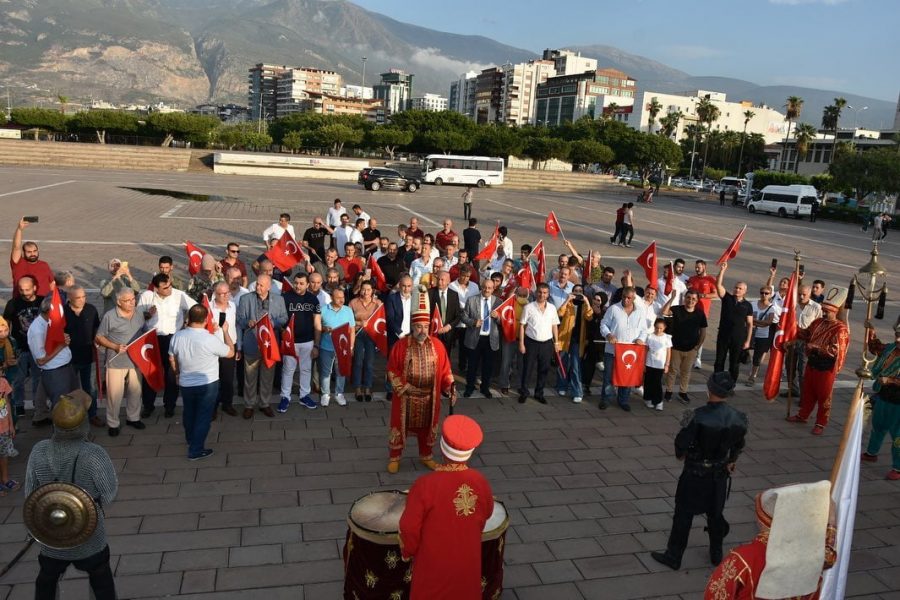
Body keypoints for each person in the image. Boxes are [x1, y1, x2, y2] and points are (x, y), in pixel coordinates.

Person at [25, 391, 118, 599]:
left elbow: (30, 494)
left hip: (52, 531)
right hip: (88, 530)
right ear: (83, 424)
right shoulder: (93, 453)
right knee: (101, 579)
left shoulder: (39, 450)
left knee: (46, 580)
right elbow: (109, 493)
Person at [651, 372, 749, 570]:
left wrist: (686, 454)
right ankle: (716, 554)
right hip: (719, 474)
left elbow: (680, 448)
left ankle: (674, 556)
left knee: (683, 514)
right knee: (715, 513)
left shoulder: (696, 416)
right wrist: (731, 460)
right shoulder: (739, 418)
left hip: (695, 474)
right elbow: (738, 445)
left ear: (708, 389)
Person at [399, 414, 493, 600]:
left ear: (441, 447)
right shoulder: (480, 482)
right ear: (471, 451)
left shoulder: (425, 484)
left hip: (433, 563)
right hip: (468, 560)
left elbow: (409, 527)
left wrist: (408, 551)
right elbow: (486, 514)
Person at [705, 481, 837, 599]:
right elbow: (829, 556)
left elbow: (714, 595)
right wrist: (831, 524)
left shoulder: (744, 558)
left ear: (761, 521)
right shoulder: (815, 553)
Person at [386, 285, 456, 473]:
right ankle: (395, 457)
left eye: (425, 326)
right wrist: (404, 387)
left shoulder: (438, 346)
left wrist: (449, 387)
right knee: (400, 427)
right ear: (412, 326)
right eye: (418, 326)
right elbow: (391, 370)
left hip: (429, 398)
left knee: (428, 428)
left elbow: (445, 370)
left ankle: (426, 455)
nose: (422, 330)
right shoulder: (401, 346)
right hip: (406, 398)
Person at [169, 304, 235, 460]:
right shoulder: (210, 339)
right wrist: (225, 332)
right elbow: (230, 352)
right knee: (203, 417)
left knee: (189, 413)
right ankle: (196, 450)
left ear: (188, 319)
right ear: (206, 319)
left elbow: (172, 357)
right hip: (208, 384)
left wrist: (177, 373)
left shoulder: (178, 337)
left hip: (186, 383)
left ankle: (191, 439)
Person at [786, 287, 850, 435]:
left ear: (835, 311)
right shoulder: (818, 322)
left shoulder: (841, 329)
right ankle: (803, 415)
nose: (824, 312)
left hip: (826, 367)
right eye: (824, 309)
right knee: (808, 392)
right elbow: (805, 334)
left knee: (824, 396)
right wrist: (791, 326)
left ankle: (821, 423)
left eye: (827, 311)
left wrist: (816, 347)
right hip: (812, 363)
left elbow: (836, 351)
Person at [137, 273, 196, 418]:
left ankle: (169, 406)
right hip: (153, 339)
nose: (169, 289)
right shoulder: (147, 297)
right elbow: (137, 319)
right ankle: (148, 406)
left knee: (172, 373)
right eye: (165, 287)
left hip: (172, 338)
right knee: (151, 372)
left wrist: (188, 321)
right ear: (156, 288)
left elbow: (195, 307)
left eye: (170, 285)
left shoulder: (178, 295)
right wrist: (147, 315)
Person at [95, 288, 145, 437]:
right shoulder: (109, 316)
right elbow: (99, 337)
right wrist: (115, 347)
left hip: (136, 361)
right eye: (127, 300)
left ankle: (133, 418)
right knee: (114, 395)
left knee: (135, 391)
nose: (131, 303)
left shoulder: (139, 313)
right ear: (118, 302)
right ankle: (113, 423)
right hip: (116, 361)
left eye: (133, 299)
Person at [236, 274, 287, 419]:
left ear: (269, 287)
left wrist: (273, 323)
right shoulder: (246, 299)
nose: (257, 287)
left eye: (261, 285)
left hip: (270, 345)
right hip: (252, 342)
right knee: (250, 376)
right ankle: (249, 405)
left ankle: (264, 403)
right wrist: (248, 322)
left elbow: (284, 318)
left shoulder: (279, 300)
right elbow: (240, 319)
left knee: (267, 376)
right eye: (257, 284)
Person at [861, 318, 900, 481]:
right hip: (884, 395)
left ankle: (897, 467)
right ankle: (871, 453)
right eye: (897, 335)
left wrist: (891, 380)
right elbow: (876, 348)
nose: (898, 339)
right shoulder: (890, 348)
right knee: (878, 426)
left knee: (898, 435)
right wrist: (871, 331)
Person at [599, 286, 649, 411]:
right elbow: (603, 324)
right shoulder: (613, 309)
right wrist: (608, 334)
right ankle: (605, 399)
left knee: (626, 376)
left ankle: (623, 400)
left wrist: (641, 339)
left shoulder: (640, 312)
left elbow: (644, 330)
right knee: (609, 376)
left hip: (630, 351)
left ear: (633, 298)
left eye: (629, 298)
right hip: (612, 350)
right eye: (624, 297)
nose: (626, 300)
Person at [4, 276, 44, 421]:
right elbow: (6, 323)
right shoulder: (13, 303)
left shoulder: (42, 301)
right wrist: (7, 344)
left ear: (35, 287)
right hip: (20, 347)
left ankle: (37, 404)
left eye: (27, 289)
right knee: (18, 379)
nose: (24, 292)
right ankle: (18, 405)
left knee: (37, 379)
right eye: (21, 289)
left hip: (38, 348)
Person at [279, 273, 321, 412]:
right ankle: (285, 397)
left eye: (301, 283)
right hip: (290, 342)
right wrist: (281, 331)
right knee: (288, 369)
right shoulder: (285, 297)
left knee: (306, 369)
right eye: (296, 282)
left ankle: (304, 395)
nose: (298, 286)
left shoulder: (313, 299)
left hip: (308, 342)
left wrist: (316, 345)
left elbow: (317, 323)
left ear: (308, 284)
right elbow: (278, 319)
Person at [28, 295, 79, 406]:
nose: (62, 315)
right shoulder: (37, 331)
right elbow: (41, 360)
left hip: (66, 367)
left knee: (73, 400)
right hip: (55, 372)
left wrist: (63, 338)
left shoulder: (52, 322)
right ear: (48, 312)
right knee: (62, 406)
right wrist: (61, 345)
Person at [62, 286, 103, 427]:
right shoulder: (63, 312)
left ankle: (93, 414)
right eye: (78, 298)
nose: (82, 300)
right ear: (70, 299)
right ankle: (71, 417)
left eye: (84, 296)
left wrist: (97, 339)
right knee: (70, 389)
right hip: (69, 358)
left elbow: (97, 328)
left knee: (90, 388)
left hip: (88, 356)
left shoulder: (91, 309)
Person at [518, 283, 561, 405]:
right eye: (540, 292)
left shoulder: (552, 308)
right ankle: (524, 392)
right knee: (527, 369)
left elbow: (554, 326)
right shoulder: (528, 307)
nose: (542, 295)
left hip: (547, 344)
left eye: (545, 293)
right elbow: (522, 326)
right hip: (531, 342)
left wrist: (556, 342)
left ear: (548, 294)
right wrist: (521, 343)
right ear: (536, 293)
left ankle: (539, 393)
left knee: (544, 369)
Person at [663, 290, 707, 404]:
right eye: (688, 298)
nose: (690, 301)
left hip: (691, 349)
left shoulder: (700, 314)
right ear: (684, 298)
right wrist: (672, 298)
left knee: (686, 372)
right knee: (673, 371)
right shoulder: (677, 310)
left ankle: (683, 392)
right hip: (676, 347)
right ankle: (669, 391)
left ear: (697, 301)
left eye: (693, 299)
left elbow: (703, 331)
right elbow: (664, 311)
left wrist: (698, 346)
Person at [713, 263, 754, 381]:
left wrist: (747, 341)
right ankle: (717, 381)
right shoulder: (727, 298)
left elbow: (750, 325)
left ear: (745, 291)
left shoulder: (747, 305)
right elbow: (718, 284)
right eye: (736, 287)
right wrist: (722, 270)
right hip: (723, 335)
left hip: (738, 338)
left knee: (734, 363)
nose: (737, 289)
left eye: (740, 288)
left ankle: (731, 384)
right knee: (719, 360)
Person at [461, 278, 501, 398]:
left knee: (487, 366)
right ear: (481, 287)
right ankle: (469, 387)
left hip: (490, 339)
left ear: (493, 289)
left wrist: (498, 317)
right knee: (472, 365)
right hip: (475, 338)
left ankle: (485, 388)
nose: (486, 290)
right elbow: (463, 316)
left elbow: (505, 321)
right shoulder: (472, 300)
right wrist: (473, 322)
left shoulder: (498, 302)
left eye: (489, 288)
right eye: (484, 287)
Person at [783, 285, 823, 397]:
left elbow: (818, 326)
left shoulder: (816, 307)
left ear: (809, 294)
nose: (801, 296)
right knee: (789, 367)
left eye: (804, 294)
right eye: (799, 294)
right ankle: (793, 389)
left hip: (805, 342)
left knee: (802, 370)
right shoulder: (792, 305)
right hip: (791, 340)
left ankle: (804, 395)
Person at [318, 288, 355, 407]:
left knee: (341, 371)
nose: (341, 300)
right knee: (326, 371)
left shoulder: (348, 310)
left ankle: (339, 393)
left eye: (342, 297)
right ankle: (325, 394)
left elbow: (352, 329)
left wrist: (351, 346)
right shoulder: (323, 310)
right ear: (332, 298)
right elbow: (318, 328)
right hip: (327, 346)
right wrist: (324, 329)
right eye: (338, 297)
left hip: (342, 348)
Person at [557, 284, 593, 403]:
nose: (578, 293)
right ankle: (562, 386)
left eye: (580, 291)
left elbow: (589, 317)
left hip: (578, 340)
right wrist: (567, 300)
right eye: (575, 291)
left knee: (575, 366)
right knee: (563, 364)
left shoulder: (584, 306)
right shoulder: (568, 304)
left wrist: (587, 302)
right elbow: (559, 314)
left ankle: (577, 392)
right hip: (565, 339)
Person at [208, 282, 238, 417]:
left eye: (228, 293)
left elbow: (236, 327)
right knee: (213, 380)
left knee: (228, 378)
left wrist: (239, 346)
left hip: (229, 347)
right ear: (215, 293)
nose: (226, 296)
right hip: (213, 348)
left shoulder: (233, 306)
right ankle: (212, 407)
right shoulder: (208, 308)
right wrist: (210, 329)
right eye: (222, 294)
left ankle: (227, 404)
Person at [349, 280, 381, 403]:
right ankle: (357, 388)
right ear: (360, 289)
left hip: (371, 335)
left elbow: (381, 318)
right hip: (357, 334)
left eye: (368, 289)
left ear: (372, 290)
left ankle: (367, 388)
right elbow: (348, 319)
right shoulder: (353, 302)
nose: (365, 292)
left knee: (369, 362)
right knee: (357, 361)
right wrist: (359, 323)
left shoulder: (378, 303)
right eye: (363, 289)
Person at [746, 285, 781, 386]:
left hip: (763, 335)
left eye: (766, 293)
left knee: (757, 356)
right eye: (762, 293)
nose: (764, 295)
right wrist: (759, 322)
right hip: (750, 333)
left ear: (770, 295)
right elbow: (747, 319)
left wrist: (754, 321)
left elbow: (768, 322)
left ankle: (752, 376)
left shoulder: (772, 308)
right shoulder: (753, 304)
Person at [10, 217, 55, 297]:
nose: (32, 254)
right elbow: (16, 247)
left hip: (42, 305)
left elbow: (52, 284)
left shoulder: (44, 265)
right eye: (29, 252)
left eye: (34, 251)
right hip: (22, 303)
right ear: (23, 253)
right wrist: (19, 229)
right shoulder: (18, 263)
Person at [688, 259, 718, 369]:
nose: (697, 269)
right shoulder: (691, 279)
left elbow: (715, 294)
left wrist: (703, 296)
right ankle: (690, 357)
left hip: (703, 312)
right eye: (696, 267)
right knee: (691, 334)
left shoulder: (710, 279)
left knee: (701, 334)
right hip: (691, 310)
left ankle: (698, 358)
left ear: (704, 267)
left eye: (699, 267)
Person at [428, 272, 461, 356]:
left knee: (445, 357)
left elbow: (458, 316)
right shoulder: (430, 293)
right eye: (438, 279)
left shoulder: (454, 295)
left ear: (448, 281)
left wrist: (449, 326)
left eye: (442, 280)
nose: (439, 282)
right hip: (433, 332)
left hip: (448, 334)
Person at [644, 318, 672, 411]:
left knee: (657, 383)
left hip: (660, 364)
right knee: (648, 381)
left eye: (660, 328)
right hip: (649, 363)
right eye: (657, 328)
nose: (658, 330)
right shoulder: (650, 336)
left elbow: (668, 352)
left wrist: (667, 364)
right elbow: (646, 350)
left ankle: (659, 401)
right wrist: (644, 363)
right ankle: (648, 398)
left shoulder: (666, 338)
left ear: (664, 328)